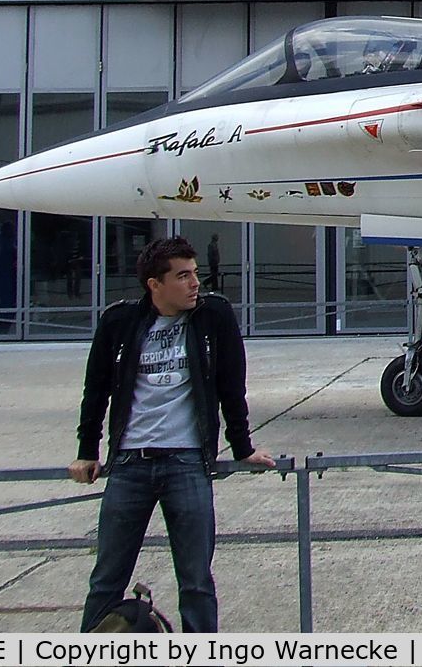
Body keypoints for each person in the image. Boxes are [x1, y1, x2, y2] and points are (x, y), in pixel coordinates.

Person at [70, 237, 277, 632]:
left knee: (197, 581)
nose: (195, 283)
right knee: (106, 579)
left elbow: (232, 386)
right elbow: (95, 390)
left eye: (195, 273)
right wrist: (86, 450)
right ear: (155, 284)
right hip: (130, 461)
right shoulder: (119, 321)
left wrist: (243, 446)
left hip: (187, 461)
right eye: (183, 276)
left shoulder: (214, 316)